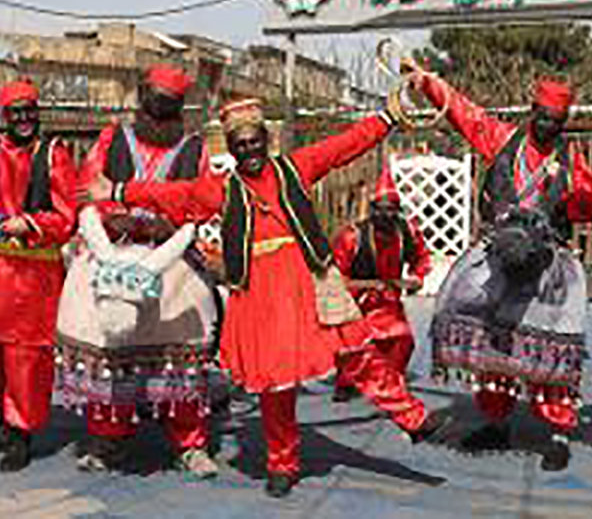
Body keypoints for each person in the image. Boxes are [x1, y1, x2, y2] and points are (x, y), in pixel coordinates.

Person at [88, 98, 449, 498]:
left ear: (267, 140)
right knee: (275, 386)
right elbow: (178, 195)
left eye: (254, 141)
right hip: (260, 291)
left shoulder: (295, 168)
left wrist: (386, 118)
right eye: (239, 145)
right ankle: (282, 464)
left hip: (310, 278)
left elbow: (346, 145)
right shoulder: (224, 189)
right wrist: (121, 189)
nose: (249, 150)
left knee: (356, 351)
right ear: (232, 148)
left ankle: (414, 419)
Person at [411, 69, 592, 472]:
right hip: (500, 252)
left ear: (564, 122)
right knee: (490, 338)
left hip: (548, 259)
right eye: (543, 116)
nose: (548, 125)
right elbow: (462, 112)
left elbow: (590, 207)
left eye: (557, 120)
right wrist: (428, 83)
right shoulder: (502, 139)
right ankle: (496, 420)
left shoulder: (571, 159)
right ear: (533, 111)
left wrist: (575, 194)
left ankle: (557, 431)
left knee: (552, 342)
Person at [60, 63, 221, 477]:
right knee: (106, 344)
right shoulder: (112, 138)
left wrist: (165, 224)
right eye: (154, 97)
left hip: (169, 255)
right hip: (111, 249)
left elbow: (201, 202)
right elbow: (86, 187)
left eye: (169, 102)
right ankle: (108, 439)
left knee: (184, 344)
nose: (159, 106)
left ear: (179, 106)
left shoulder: (194, 148)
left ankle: (190, 443)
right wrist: (114, 218)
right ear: (142, 97)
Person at [0, 79, 77, 473]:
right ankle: (3, 420)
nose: (24, 118)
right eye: (16, 112)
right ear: (4, 117)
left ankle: (23, 431)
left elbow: (66, 217)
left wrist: (27, 223)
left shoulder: (54, 154)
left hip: (37, 269)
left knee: (28, 355)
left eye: (30, 110)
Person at [330, 161, 431, 403]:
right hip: (355, 302)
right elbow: (335, 277)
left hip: (389, 301)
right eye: (380, 209)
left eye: (391, 209)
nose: (385, 214)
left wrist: (417, 278)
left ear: (398, 210)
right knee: (355, 342)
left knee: (402, 338)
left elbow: (421, 258)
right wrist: (366, 286)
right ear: (371, 209)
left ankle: (390, 380)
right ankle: (347, 380)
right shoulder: (352, 236)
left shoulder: (407, 232)